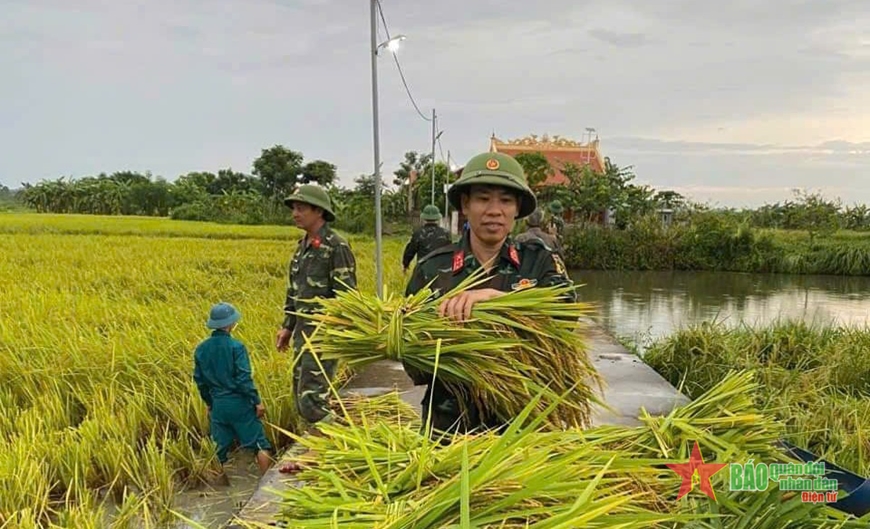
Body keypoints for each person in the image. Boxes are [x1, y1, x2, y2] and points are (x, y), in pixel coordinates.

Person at [403, 152, 576, 435]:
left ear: (517, 209)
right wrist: (451, 341)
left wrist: (501, 303)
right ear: (465, 205)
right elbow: (413, 362)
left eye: (505, 200)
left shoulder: (539, 261)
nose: (494, 210)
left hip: (523, 427)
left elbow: (566, 318)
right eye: (483, 198)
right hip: (448, 430)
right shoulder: (432, 268)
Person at [275, 184, 356, 472]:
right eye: (294, 208)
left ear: (319, 211)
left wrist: (339, 333)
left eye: (301, 208)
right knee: (301, 391)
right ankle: (319, 444)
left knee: (312, 396)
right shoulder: (302, 248)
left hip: (324, 333)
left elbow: (347, 296)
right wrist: (288, 326)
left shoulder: (336, 246)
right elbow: (294, 291)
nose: (295, 213)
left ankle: (324, 450)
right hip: (303, 332)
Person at [193, 302, 272, 474]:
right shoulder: (236, 347)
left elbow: (200, 381)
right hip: (240, 403)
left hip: (218, 405)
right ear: (230, 324)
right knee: (260, 444)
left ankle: (221, 486)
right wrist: (256, 402)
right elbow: (244, 378)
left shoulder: (201, 349)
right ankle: (267, 485)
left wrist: (210, 402)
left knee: (217, 450)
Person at [402, 204, 451, 273]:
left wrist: (405, 265)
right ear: (438, 218)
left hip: (423, 270)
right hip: (441, 270)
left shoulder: (418, 233)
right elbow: (450, 252)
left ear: (424, 218)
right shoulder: (446, 233)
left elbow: (410, 251)